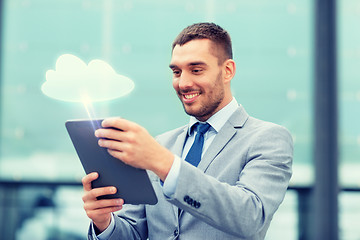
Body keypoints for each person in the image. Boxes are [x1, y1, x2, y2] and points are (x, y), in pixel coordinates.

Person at [81, 22, 293, 240]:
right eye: (176, 72)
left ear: (227, 71)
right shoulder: (161, 144)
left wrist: (165, 164)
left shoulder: (268, 139)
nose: (183, 83)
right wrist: (103, 223)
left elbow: (251, 217)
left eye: (196, 70)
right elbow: (134, 232)